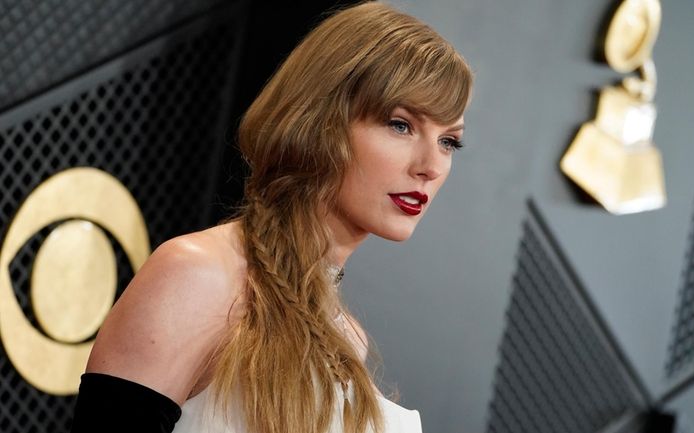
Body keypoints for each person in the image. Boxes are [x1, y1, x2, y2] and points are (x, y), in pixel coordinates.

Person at [70, 2, 472, 433]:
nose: (431, 165)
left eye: (449, 141)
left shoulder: (347, 339)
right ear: (320, 121)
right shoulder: (199, 274)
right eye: (400, 125)